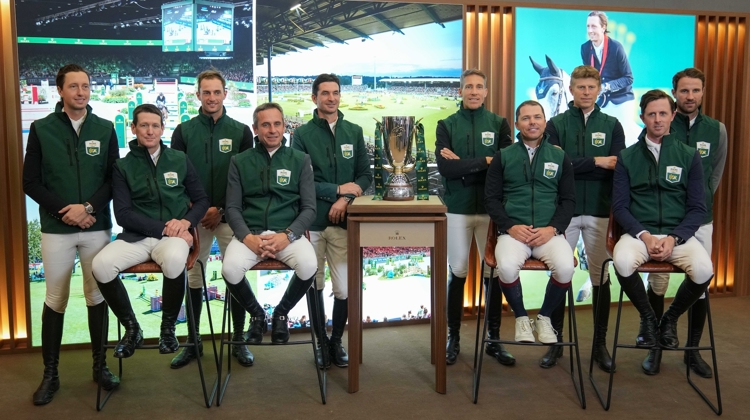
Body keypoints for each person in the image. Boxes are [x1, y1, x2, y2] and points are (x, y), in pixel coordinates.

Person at [23, 64, 121, 405]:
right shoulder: (41, 128)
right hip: (57, 228)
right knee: (55, 299)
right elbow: (30, 182)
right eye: (74, 87)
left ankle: (100, 366)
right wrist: (67, 210)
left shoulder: (106, 129)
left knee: (96, 297)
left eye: (86, 86)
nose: (81, 92)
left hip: (96, 227)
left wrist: (88, 209)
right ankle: (50, 375)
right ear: (60, 91)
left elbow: (113, 180)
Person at [92, 104, 209, 360]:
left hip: (173, 240)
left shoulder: (179, 159)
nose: (150, 130)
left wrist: (186, 223)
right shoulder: (122, 166)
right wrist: (165, 227)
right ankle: (132, 329)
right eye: (143, 125)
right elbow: (122, 214)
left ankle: (167, 329)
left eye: (155, 125)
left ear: (162, 129)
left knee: (176, 258)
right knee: (100, 265)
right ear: (133, 128)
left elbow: (201, 201)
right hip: (137, 237)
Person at [611, 90, 713, 356]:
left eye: (663, 113)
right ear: (642, 117)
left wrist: (674, 238)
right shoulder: (627, 156)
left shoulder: (689, 155)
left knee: (704, 270)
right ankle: (648, 319)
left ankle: (669, 319)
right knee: (621, 261)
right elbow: (620, 207)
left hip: (677, 236)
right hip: (638, 235)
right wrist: (644, 236)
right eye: (652, 114)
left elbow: (697, 208)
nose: (657, 119)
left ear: (673, 115)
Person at [639, 69, 727, 376]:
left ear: (703, 93)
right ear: (675, 94)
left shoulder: (717, 129)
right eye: (684, 91)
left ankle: (692, 352)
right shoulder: (659, 121)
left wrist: (695, 203)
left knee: (700, 283)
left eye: (696, 90)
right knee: (659, 282)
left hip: (700, 221)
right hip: (662, 223)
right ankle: (656, 349)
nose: (690, 96)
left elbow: (714, 174)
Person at [169, 70, 254, 369]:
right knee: (194, 276)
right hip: (195, 217)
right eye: (206, 92)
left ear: (225, 94)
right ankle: (193, 341)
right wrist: (197, 208)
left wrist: (220, 208)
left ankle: (239, 340)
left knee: (236, 273)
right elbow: (174, 177)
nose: (212, 98)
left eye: (217, 92)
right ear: (198, 95)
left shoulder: (242, 131)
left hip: (230, 216)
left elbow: (247, 179)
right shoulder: (183, 130)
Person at [542, 65, 625, 371]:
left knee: (600, 278)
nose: (586, 92)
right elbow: (553, 165)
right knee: (561, 274)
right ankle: (557, 342)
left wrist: (576, 163)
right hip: (564, 212)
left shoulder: (613, 124)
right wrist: (595, 162)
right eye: (580, 87)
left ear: (599, 89)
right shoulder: (556, 124)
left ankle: (600, 345)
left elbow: (616, 164)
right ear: (572, 90)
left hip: (600, 210)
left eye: (591, 87)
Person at [291, 73, 372, 368]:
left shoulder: (354, 130)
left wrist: (346, 199)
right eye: (324, 93)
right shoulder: (301, 135)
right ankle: (320, 342)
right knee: (314, 284)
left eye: (335, 92)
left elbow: (365, 175)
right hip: (311, 222)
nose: (331, 98)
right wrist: (337, 190)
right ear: (314, 98)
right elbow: (301, 181)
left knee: (346, 288)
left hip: (343, 221)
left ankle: (336, 341)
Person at [435, 69, 515, 366]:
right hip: (458, 208)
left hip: (492, 210)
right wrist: (485, 160)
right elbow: (446, 169)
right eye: (468, 86)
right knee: (457, 273)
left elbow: (508, 163)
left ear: (485, 91)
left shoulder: (499, 123)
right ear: (460, 91)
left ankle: (493, 338)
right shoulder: (446, 124)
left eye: (479, 86)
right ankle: (452, 337)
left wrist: (466, 165)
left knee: (491, 273)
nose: (473, 91)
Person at [221, 102, 317, 348]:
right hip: (250, 234)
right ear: (255, 128)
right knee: (230, 269)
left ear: (284, 126)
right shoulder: (239, 161)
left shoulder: (301, 159)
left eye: (277, 124)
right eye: (265, 124)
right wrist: (247, 237)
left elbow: (309, 209)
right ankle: (257, 315)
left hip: (286, 234)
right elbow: (232, 208)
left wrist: (288, 235)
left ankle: (281, 314)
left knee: (308, 265)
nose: (272, 130)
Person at [485, 100, 576, 344]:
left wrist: (553, 229)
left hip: (549, 233)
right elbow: (491, 200)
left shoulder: (560, 156)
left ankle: (544, 317)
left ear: (545, 122)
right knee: (504, 267)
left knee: (566, 267)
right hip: (514, 233)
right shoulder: (502, 157)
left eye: (537, 117)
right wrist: (511, 227)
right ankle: (522, 318)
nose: (532, 122)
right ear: (516, 124)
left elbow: (568, 201)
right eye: (526, 118)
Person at [581, 11, 637, 141]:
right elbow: (589, 75)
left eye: (594, 26)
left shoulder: (616, 47)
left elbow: (629, 78)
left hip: (621, 99)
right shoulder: (585, 48)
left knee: (625, 137)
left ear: (603, 27)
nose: (590, 30)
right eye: (588, 26)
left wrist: (607, 86)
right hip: (601, 101)